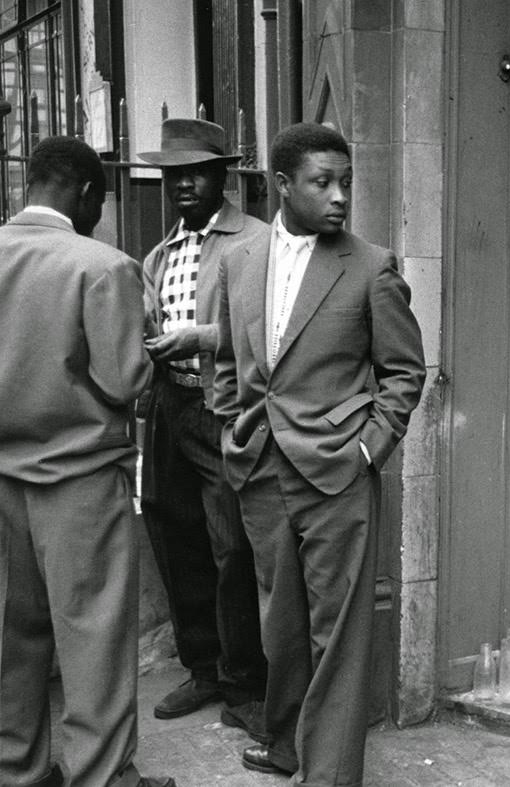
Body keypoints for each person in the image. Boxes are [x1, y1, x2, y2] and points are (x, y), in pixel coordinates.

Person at [214, 122, 426, 785]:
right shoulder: (239, 262)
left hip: (338, 470)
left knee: (338, 635)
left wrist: (368, 448)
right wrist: (233, 430)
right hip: (261, 470)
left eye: (346, 182)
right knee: (280, 626)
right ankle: (284, 743)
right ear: (282, 185)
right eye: (322, 182)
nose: (339, 196)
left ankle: (331, 774)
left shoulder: (371, 266)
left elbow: (404, 375)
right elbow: (230, 363)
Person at [0, 137, 174, 787]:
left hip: (2, 479)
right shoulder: (102, 266)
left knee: (12, 638)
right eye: (100, 199)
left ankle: (16, 769)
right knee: (93, 637)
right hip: (77, 478)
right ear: (85, 193)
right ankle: (101, 776)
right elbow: (126, 378)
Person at [137, 118, 270, 736]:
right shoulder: (160, 252)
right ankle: (203, 669)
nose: (183, 184)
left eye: (195, 172)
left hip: (222, 408)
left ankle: (246, 682)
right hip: (169, 405)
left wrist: (200, 338)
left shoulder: (258, 241)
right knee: (175, 536)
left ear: (223, 175)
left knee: (232, 548)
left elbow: (271, 331)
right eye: (173, 174)